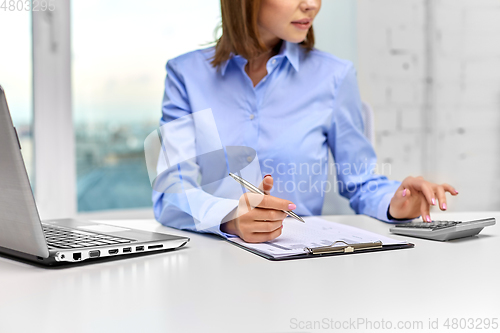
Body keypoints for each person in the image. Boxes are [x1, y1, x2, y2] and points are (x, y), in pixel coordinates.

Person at [152, 0, 458, 243]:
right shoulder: (185, 75)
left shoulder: (335, 76)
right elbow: (170, 193)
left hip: (299, 263)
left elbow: (360, 181)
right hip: (206, 265)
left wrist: (396, 203)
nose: (312, 4)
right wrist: (229, 217)